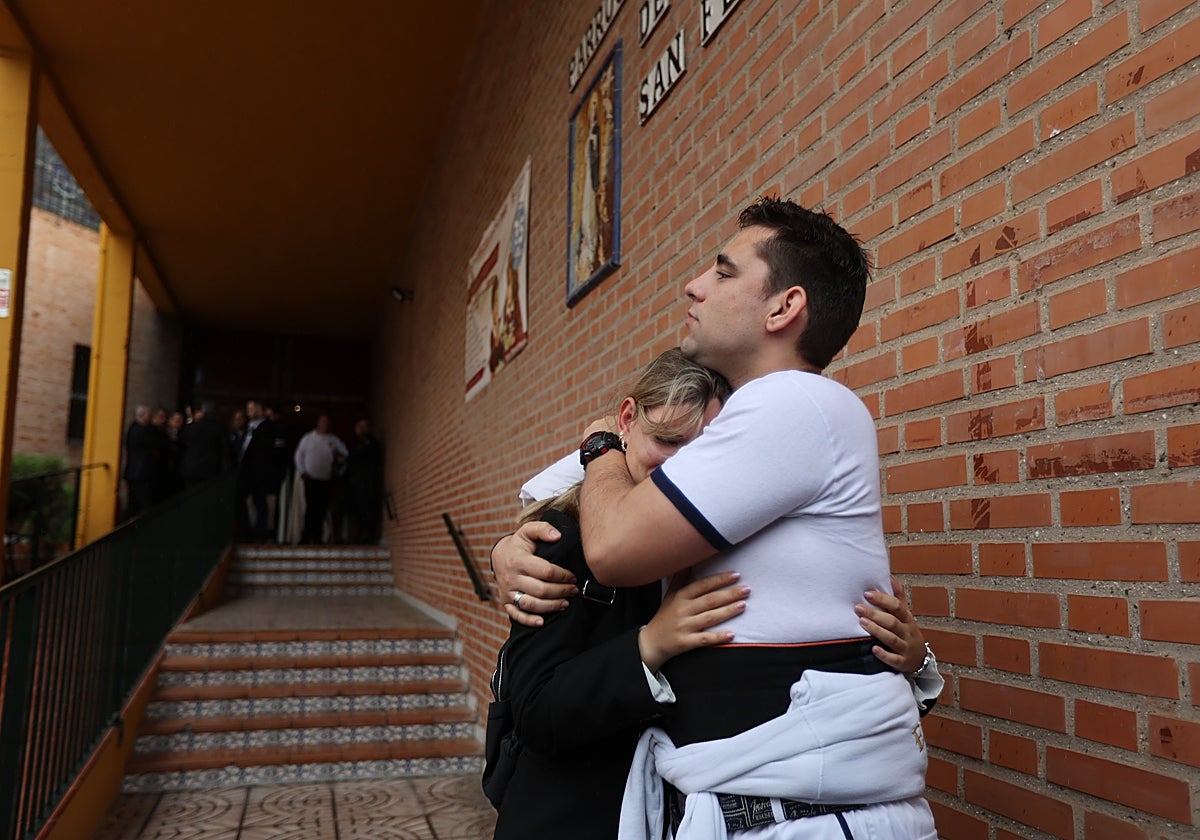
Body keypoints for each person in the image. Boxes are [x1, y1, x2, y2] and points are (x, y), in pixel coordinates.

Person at [497, 198, 940, 839]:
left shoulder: (793, 402)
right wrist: (512, 546)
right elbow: (588, 493)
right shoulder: (753, 421)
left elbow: (614, 538)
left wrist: (598, 444)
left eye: (724, 271)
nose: (694, 285)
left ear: (783, 308)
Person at [493, 349, 746, 839]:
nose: (680, 466)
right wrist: (648, 646)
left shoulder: (714, 534)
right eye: (667, 440)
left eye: (700, 450)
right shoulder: (563, 537)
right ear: (627, 421)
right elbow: (535, 711)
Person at [293, 413, 348, 544]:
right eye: (323, 422)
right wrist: (302, 471)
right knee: (311, 507)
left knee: (321, 509)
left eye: (327, 422)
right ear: (318, 423)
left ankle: (318, 536)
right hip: (311, 478)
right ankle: (306, 536)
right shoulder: (308, 438)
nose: (325, 424)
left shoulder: (333, 440)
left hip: (325, 479)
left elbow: (345, 453)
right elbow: (298, 455)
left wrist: (337, 454)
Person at [344, 418, 383, 544]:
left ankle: (366, 536)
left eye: (362, 427)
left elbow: (370, 460)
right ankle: (360, 536)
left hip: (366, 482)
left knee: (366, 509)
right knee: (358, 510)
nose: (359, 430)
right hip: (356, 483)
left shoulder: (369, 443)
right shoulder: (357, 443)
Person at [178, 402, 231, 488]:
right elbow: (226, 449)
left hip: (191, 469)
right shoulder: (219, 428)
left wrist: (190, 419)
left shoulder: (193, 427)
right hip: (210, 470)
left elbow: (182, 438)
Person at [122, 405, 156, 519]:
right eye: (149, 415)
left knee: (134, 503)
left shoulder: (134, 429)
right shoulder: (140, 431)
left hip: (135, 472)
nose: (150, 418)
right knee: (141, 502)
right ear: (142, 415)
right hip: (140, 473)